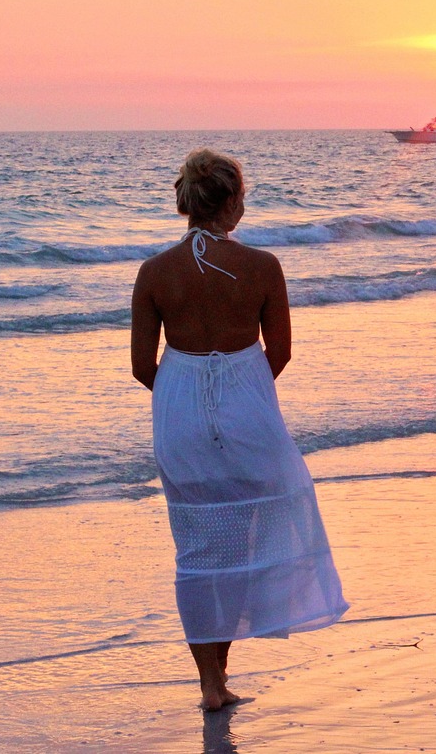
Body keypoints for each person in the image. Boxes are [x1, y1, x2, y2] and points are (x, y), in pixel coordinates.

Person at [131, 149, 348, 711]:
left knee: (197, 548)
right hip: (248, 412)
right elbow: (281, 353)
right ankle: (221, 676)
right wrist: (237, 397)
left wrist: (186, 402)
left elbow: (140, 366)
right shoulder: (263, 266)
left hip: (177, 414)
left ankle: (210, 683)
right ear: (230, 201)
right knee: (249, 534)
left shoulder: (153, 273)